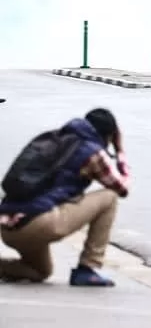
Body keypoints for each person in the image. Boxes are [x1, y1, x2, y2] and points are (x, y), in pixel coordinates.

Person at [0, 108, 130, 286]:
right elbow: (122, 188)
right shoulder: (92, 151)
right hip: (37, 223)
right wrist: (120, 151)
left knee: (41, 271)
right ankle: (87, 268)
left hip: (8, 228)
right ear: (109, 135)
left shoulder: (52, 138)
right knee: (109, 197)